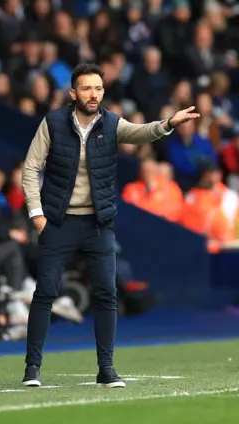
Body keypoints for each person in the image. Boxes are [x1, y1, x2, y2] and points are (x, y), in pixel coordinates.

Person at [20, 63, 199, 388]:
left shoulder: (112, 122)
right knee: (45, 292)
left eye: (99, 88)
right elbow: (30, 169)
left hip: (98, 223)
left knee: (106, 295)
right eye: (87, 88)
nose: (94, 94)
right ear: (73, 93)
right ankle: (32, 368)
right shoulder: (53, 122)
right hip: (58, 221)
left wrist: (169, 123)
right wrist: (37, 214)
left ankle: (106, 369)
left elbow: (140, 132)